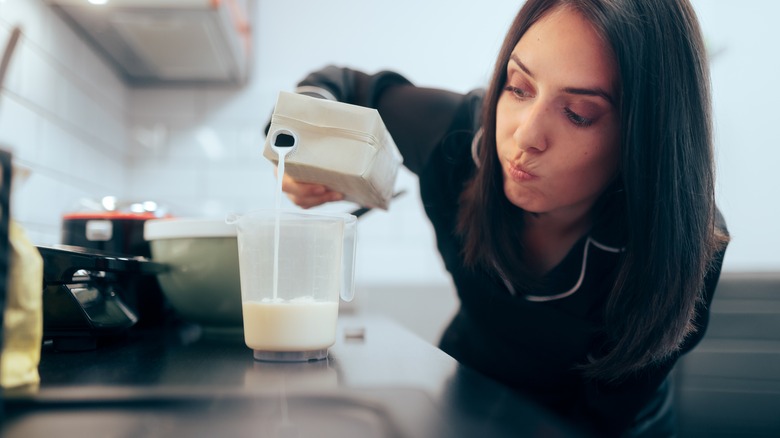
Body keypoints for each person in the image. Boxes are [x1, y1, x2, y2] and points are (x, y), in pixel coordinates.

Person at [274, 0, 730, 436]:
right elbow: (337, 84)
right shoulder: (456, 143)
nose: (525, 135)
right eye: (518, 87)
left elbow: (597, 422)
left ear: (643, 135)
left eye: (578, 113)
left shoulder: (681, 245)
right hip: (469, 393)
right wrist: (302, 148)